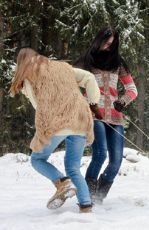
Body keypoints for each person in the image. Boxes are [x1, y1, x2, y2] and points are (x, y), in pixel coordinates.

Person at [10, 48, 101, 213]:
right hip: (80, 121)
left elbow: (38, 105)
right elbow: (89, 77)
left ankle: (62, 182)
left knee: (37, 159)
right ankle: (86, 206)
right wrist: (93, 102)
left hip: (57, 123)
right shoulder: (63, 67)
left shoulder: (30, 75)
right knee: (73, 167)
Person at [75, 27, 138, 203]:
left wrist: (123, 101)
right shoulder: (86, 62)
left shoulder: (118, 63)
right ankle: (87, 195)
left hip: (116, 117)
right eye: (106, 42)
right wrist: (82, 102)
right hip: (95, 115)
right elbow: (70, 84)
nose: (108, 47)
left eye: (112, 44)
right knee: (100, 153)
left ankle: (99, 196)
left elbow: (132, 90)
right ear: (99, 40)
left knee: (116, 162)